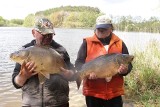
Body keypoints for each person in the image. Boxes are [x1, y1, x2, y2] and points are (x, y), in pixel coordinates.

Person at [12, 18, 75, 107]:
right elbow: (16, 83)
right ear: (34, 33)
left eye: (50, 34)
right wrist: (23, 76)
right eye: (44, 34)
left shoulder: (61, 50)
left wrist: (68, 74)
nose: (47, 37)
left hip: (59, 103)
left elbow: (74, 75)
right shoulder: (24, 51)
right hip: (31, 104)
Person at [75, 15, 133, 107]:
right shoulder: (87, 43)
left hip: (114, 93)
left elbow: (129, 64)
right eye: (99, 28)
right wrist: (86, 73)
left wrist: (125, 70)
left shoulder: (120, 43)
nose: (101, 30)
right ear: (95, 28)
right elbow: (78, 63)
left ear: (111, 28)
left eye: (104, 28)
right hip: (93, 93)